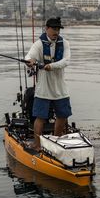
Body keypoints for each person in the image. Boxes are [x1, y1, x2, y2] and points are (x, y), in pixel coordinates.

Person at [25, 17, 72, 151]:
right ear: (47, 29)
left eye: (58, 29)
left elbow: (66, 61)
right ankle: (37, 144)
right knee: (40, 117)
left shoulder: (65, 44)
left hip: (60, 87)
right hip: (43, 88)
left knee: (63, 115)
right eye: (54, 29)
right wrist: (31, 61)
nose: (56, 32)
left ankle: (55, 140)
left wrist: (50, 66)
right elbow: (29, 56)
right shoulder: (39, 44)